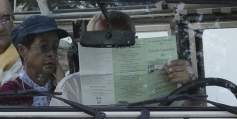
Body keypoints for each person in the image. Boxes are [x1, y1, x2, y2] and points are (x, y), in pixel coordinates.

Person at [57, 11, 195, 103]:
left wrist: (191, 86)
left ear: (135, 41)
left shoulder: (165, 79)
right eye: (101, 41)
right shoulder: (71, 86)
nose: (111, 48)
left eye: (120, 41)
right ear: (89, 44)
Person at [0, 15, 68, 106]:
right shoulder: (10, 93)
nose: (52, 54)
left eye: (55, 47)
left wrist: (62, 85)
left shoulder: (60, 87)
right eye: (44, 47)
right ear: (23, 51)